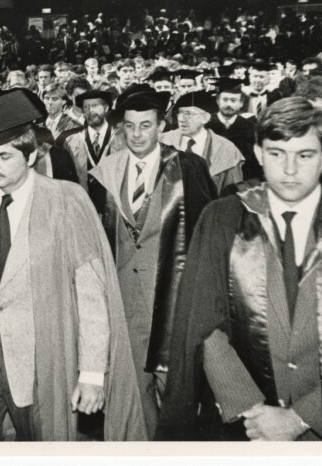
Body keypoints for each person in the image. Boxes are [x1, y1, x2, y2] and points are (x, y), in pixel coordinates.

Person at [158, 97, 322, 441]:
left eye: (305, 155)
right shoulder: (223, 218)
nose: (290, 169)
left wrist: (300, 417)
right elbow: (204, 323)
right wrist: (249, 408)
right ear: (258, 153)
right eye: (277, 153)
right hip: (244, 424)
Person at [0, 90, 146, 441]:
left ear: (32, 155)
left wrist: (93, 374)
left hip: (41, 359)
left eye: (4, 156)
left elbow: (92, 296)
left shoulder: (66, 201)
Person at [89, 87, 217, 436]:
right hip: (124, 300)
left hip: (173, 299)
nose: (137, 134)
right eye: (130, 126)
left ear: (162, 126)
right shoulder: (105, 172)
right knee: (131, 391)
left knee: (175, 391)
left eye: (146, 126)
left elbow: (208, 235)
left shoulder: (188, 168)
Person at [161, 90, 245, 195]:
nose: (181, 119)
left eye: (189, 114)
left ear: (206, 118)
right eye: (180, 113)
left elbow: (233, 197)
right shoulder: (163, 141)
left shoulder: (226, 149)